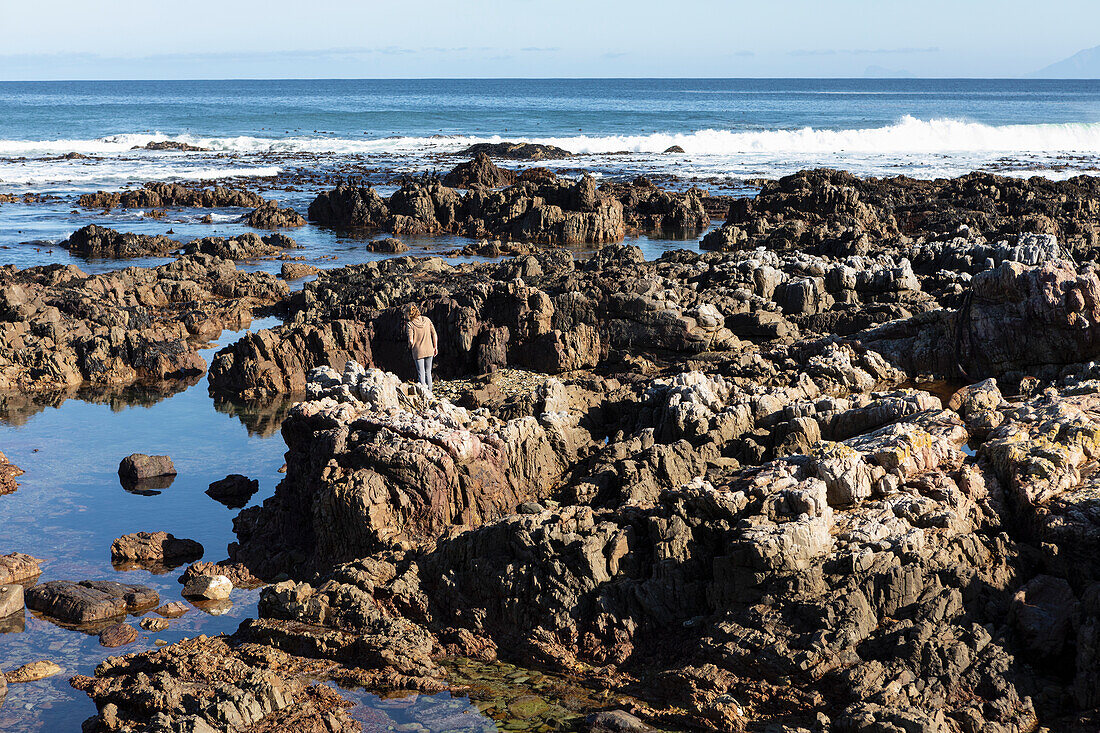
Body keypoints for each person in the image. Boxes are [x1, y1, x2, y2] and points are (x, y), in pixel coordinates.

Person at [405, 304, 437, 390]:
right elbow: (434, 333)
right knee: (428, 372)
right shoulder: (427, 320)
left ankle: (424, 394)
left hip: (418, 351)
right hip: (429, 349)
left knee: (421, 373)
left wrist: (409, 346)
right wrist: (435, 347)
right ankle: (430, 392)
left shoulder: (410, 324)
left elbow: (411, 340)